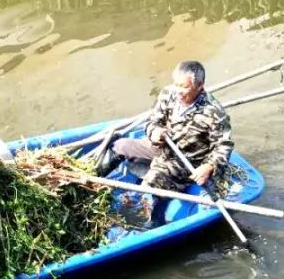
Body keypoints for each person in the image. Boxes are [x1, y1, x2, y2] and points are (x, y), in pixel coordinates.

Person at [98, 60, 233, 226]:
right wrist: (154, 133)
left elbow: (223, 146)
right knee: (120, 146)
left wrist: (209, 167)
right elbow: (153, 121)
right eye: (176, 84)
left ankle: (146, 224)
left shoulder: (213, 112)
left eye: (184, 87)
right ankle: (92, 182)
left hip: (187, 161)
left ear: (199, 86)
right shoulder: (168, 93)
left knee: (152, 181)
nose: (178, 91)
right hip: (162, 147)